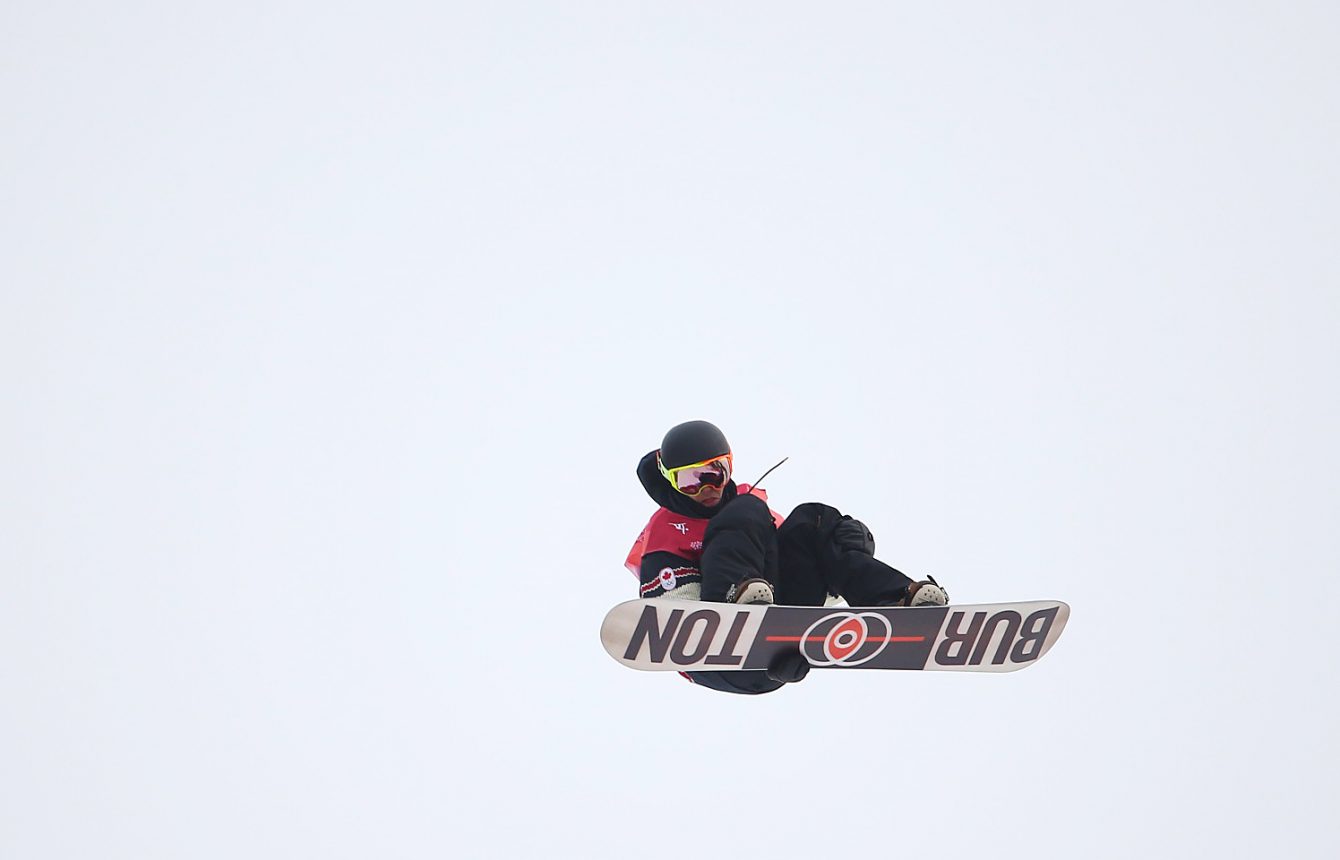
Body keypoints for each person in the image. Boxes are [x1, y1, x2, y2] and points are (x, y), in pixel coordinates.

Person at [625, 419, 948, 695]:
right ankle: (734, 603)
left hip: (775, 640)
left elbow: (814, 579)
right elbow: (670, 621)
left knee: (814, 518)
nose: (705, 488)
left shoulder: (750, 516)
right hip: (714, 652)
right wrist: (747, 650)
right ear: (670, 480)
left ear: (730, 465)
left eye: (714, 473)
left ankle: (895, 601)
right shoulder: (667, 532)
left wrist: (846, 542)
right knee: (746, 507)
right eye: (688, 481)